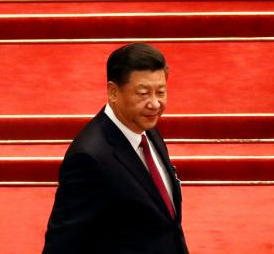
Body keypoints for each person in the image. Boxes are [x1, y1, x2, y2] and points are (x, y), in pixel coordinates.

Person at [43, 43, 189, 254]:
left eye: (161, 92)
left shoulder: (147, 129)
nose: (155, 103)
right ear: (113, 92)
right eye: (143, 93)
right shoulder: (89, 158)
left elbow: (167, 222)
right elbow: (62, 244)